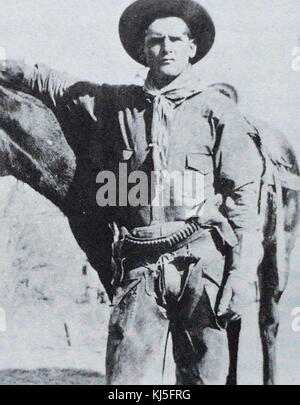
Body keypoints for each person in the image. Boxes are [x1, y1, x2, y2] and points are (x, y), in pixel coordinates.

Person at [0, 0, 265, 385]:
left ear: (192, 48)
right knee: (127, 384)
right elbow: (47, 81)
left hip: (202, 266)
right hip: (139, 264)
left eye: (176, 39)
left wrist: (242, 277)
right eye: (156, 41)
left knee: (203, 381)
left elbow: (244, 202)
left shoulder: (218, 112)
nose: (166, 48)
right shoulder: (115, 103)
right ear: (143, 49)